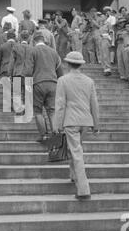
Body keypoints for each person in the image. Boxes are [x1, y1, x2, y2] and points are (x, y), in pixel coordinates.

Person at [53, 51, 100, 201]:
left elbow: (60, 105)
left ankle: (83, 189)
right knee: (76, 148)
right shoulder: (89, 81)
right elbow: (94, 104)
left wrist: (57, 125)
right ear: (81, 64)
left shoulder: (63, 80)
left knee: (76, 152)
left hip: (71, 120)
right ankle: (74, 175)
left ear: (67, 64)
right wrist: (96, 124)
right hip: (85, 121)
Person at [32, 31, 63, 143]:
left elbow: (29, 69)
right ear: (44, 40)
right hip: (53, 83)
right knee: (52, 111)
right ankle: (56, 134)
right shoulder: (54, 52)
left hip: (38, 82)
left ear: (34, 40)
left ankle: (44, 135)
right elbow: (60, 71)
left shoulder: (33, 51)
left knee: (38, 111)